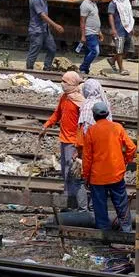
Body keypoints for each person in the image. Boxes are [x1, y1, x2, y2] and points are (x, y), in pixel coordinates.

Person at [81, 101, 136, 232]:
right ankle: (126, 230)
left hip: (97, 177)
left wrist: (86, 177)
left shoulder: (91, 131)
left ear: (94, 116)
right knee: (121, 204)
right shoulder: (117, 128)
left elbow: (87, 158)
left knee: (100, 207)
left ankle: (104, 234)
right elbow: (132, 147)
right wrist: (125, 162)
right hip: (116, 175)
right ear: (107, 114)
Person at [40, 71, 87, 210]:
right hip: (64, 140)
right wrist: (46, 125)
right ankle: (69, 199)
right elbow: (57, 114)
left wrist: (80, 147)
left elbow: (83, 125)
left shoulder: (80, 102)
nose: (62, 84)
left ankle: (72, 202)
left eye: (65, 82)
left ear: (72, 84)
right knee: (66, 172)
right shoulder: (65, 97)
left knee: (72, 173)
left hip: (73, 142)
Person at [27, 0, 62, 70]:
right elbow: (42, 15)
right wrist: (55, 25)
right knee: (34, 51)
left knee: (52, 48)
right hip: (37, 30)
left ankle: (47, 68)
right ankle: (29, 70)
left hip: (45, 30)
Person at [108, 0, 134, 75]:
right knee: (119, 50)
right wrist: (113, 29)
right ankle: (121, 69)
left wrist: (131, 26)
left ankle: (112, 60)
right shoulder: (113, 3)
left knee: (126, 49)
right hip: (118, 30)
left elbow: (129, 14)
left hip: (127, 29)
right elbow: (110, 16)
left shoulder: (126, 1)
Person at [79, 0, 102, 75]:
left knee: (89, 52)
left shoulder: (93, 3)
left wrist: (99, 32)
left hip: (95, 32)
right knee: (95, 51)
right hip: (89, 32)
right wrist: (83, 35)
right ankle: (83, 67)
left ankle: (85, 70)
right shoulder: (85, 5)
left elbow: (95, 18)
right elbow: (82, 21)